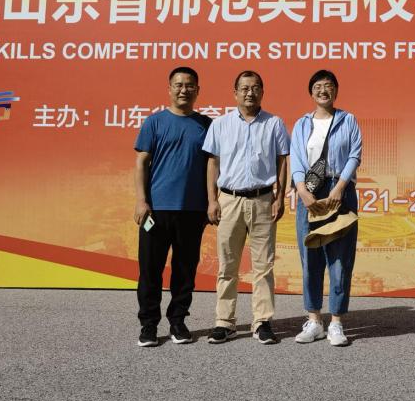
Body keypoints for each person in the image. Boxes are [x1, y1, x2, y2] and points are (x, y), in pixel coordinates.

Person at [202, 71, 289, 345]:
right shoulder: (220, 124)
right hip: (229, 200)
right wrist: (212, 200)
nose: (250, 93)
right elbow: (213, 163)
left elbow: (282, 162)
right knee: (228, 264)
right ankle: (224, 322)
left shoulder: (274, 123)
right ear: (235, 92)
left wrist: (280, 198)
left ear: (262, 91)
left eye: (255, 88)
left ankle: (262, 321)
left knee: (263, 266)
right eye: (244, 88)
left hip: (263, 200)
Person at [133, 66, 212, 347]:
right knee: (150, 270)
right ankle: (149, 325)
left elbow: (213, 167)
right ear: (169, 89)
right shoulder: (154, 122)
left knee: (185, 270)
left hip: (192, 210)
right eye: (178, 85)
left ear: (197, 90)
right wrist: (141, 200)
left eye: (189, 85)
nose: (184, 90)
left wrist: (211, 201)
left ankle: (178, 321)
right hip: (156, 210)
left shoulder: (206, 125)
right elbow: (142, 163)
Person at [289, 69, 362, 346]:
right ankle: (314, 320)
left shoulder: (348, 120)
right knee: (311, 258)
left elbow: (354, 155)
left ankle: (336, 322)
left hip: (339, 191)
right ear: (311, 92)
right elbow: (297, 159)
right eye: (318, 86)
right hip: (310, 193)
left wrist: (340, 187)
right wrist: (302, 191)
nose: (323, 90)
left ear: (336, 91)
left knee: (340, 260)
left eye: (328, 85)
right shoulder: (301, 124)